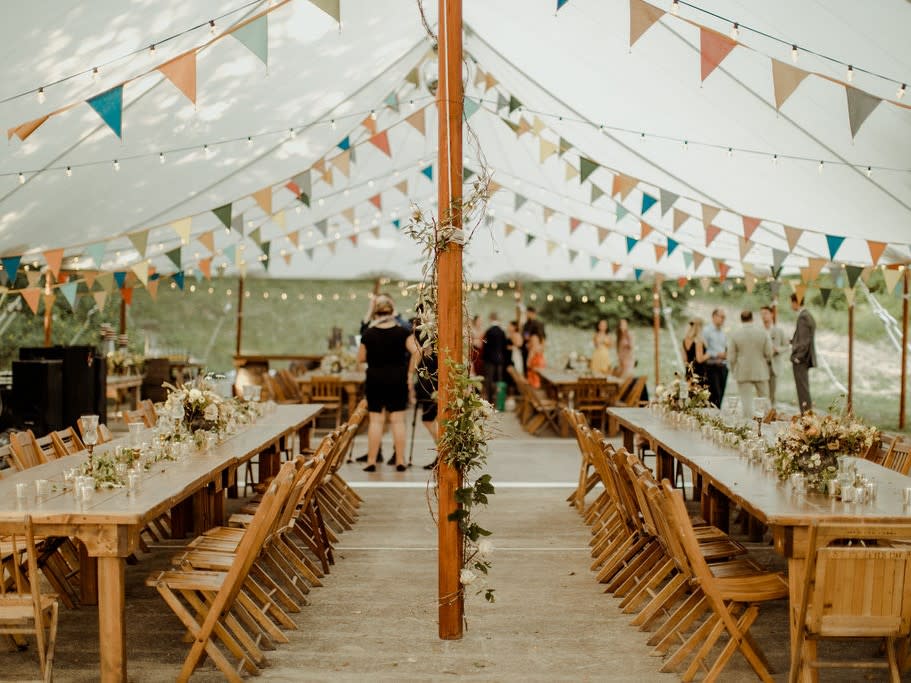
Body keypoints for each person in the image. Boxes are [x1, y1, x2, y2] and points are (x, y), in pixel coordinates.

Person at [357, 295, 418, 472]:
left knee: (376, 421)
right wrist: (410, 373)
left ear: (376, 314)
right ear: (392, 313)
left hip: (375, 378)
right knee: (397, 421)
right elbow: (417, 352)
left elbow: (361, 358)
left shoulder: (368, 334)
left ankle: (371, 461)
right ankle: (400, 460)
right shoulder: (402, 332)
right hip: (397, 379)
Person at [726, 310, 772, 418]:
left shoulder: (735, 334)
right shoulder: (763, 333)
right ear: (752, 318)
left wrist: (734, 370)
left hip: (742, 371)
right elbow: (769, 353)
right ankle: (768, 422)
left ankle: (748, 424)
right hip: (760, 370)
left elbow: (731, 357)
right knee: (765, 400)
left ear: (741, 319)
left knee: (746, 403)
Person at [411, 325, 439, 471]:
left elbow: (415, 362)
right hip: (435, 384)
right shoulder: (436, 337)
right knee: (432, 419)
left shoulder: (422, 338)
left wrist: (409, 380)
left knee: (428, 419)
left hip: (428, 386)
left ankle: (443, 450)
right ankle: (442, 451)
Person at [790, 293, 817, 413]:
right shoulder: (807, 315)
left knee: (802, 390)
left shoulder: (803, 317)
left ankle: (806, 416)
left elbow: (804, 341)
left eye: (791, 303)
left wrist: (798, 357)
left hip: (802, 359)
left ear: (796, 302)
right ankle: (806, 415)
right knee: (803, 389)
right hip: (804, 358)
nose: (791, 305)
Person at [760, 305, 788, 406]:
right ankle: (762, 412)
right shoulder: (758, 331)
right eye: (761, 314)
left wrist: (777, 349)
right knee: (762, 393)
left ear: (772, 314)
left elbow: (786, 346)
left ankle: (772, 411)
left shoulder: (779, 331)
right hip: (762, 365)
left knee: (773, 394)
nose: (763, 316)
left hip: (774, 366)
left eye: (766, 313)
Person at [703, 308, 728, 408]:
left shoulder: (722, 332)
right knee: (713, 396)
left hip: (723, 366)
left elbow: (724, 348)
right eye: (721, 316)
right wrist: (717, 354)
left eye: (724, 317)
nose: (723, 319)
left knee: (720, 396)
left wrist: (725, 354)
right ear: (713, 316)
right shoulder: (706, 331)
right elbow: (703, 349)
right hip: (712, 367)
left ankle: (717, 414)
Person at [482, 312, 508, 403]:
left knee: (489, 380)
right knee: (499, 380)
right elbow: (504, 347)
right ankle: (499, 400)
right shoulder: (502, 332)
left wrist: (484, 357)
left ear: (490, 319)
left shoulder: (488, 331)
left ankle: (490, 400)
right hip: (499, 360)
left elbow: (484, 345)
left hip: (489, 360)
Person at [681, 317, 709, 386]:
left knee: (691, 392)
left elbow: (685, 360)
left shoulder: (684, 340)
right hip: (699, 374)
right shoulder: (698, 341)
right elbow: (699, 359)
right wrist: (710, 354)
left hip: (689, 372)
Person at [521, 306, 546, 374]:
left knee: (530, 368)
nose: (526, 314)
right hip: (531, 349)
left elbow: (526, 337)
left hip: (532, 349)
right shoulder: (527, 324)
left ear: (532, 313)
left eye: (527, 313)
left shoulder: (536, 324)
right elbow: (543, 338)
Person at [505, 320, 524, 395]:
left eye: (510, 326)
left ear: (514, 327)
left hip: (515, 355)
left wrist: (509, 347)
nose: (508, 327)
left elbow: (519, 345)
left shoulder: (516, 334)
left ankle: (517, 391)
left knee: (516, 371)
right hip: (510, 356)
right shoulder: (511, 334)